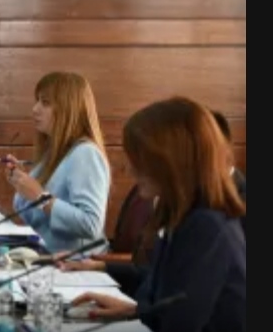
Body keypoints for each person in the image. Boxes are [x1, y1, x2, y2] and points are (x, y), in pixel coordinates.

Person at [71, 97, 245, 331]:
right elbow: (168, 293)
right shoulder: (180, 211)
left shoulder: (208, 225)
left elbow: (180, 324)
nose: (130, 169)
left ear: (172, 161)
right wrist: (134, 311)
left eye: (139, 159)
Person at [3, 72, 110, 254]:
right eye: (37, 101)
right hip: (47, 258)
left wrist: (40, 197)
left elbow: (91, 225)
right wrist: (21, 183)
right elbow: (36, 219)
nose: (35, 109)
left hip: (75, 265)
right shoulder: (53, 153)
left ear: (68, 110)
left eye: (45, 103)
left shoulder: (85, 153)